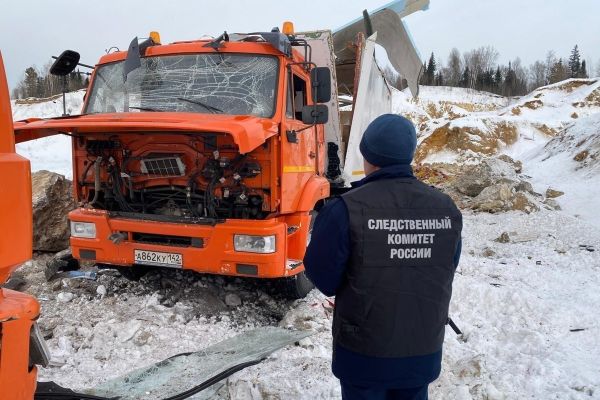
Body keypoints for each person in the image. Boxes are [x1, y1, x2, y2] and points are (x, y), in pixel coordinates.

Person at [304, 114, 462, 400]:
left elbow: (323, 277)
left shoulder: (345, 210)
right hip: (421, 350)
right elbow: (446, 266)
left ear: (368, 155)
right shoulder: (446, 209)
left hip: (364, 355)